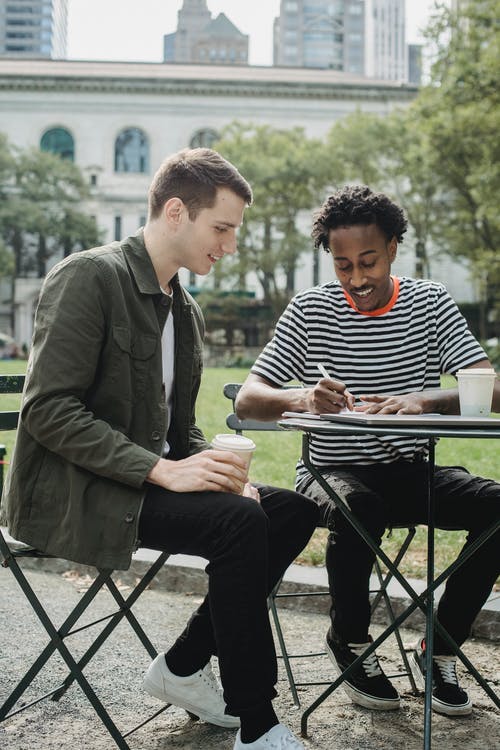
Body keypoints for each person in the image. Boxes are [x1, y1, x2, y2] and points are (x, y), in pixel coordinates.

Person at [2, 148, 319, 750]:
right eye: (221, 228)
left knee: (291, 510)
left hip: (138, 482)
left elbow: (177, 432)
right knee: (239, 525)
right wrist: (162, 471)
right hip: (75, 492)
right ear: (176, 211)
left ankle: (179, 669)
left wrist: (219, 469)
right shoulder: (88, 277)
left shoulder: (184, 309)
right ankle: (258, 724)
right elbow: (47, 411)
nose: (229, 246)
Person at [235, 185, 500, 718]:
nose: (356, 278)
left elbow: (487, 386)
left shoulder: (430, 302)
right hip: (330, 470)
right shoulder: (311, 308)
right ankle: (350, 641)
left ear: (394, 248)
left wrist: (421, 401)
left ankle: (440, 646)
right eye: (342, 265)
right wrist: (301, 396)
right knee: (361, 509)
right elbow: (247, 398)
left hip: (410, 469)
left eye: (368, 261)